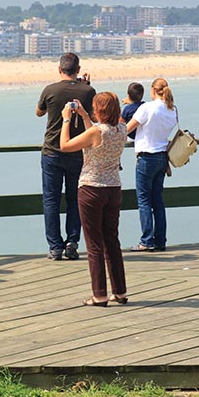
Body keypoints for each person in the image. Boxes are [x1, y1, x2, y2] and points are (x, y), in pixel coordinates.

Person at [59, 92, 128, 307]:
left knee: (94, 244)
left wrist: (67, 119)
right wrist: (85, 117)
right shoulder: (121, 129)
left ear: (99, 110)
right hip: (113, 188)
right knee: (112, 241)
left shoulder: (97, 131)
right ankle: (120, 291)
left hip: (91, 189)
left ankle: (99, 294)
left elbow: (65, 145)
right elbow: (96, 134)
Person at [35, 52, 96, 261]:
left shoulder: (50, 90)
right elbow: (94, 116)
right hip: (78, 152)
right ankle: (72, 242)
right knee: (74, 199)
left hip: (52, 151)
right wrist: (85, 86)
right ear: (78, 70)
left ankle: (55, 247)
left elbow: (39, 112)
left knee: (51, 200)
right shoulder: (88, 91)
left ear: (59, 69)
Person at [125, 78, 179, 252]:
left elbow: (127, 128)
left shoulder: (147, 107)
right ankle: (160, 240)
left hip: (146, 157)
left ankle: (146, 240)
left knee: (144, 201)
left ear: (153, 90)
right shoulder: (172, 109)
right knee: (157, 200)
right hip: (162, 157)